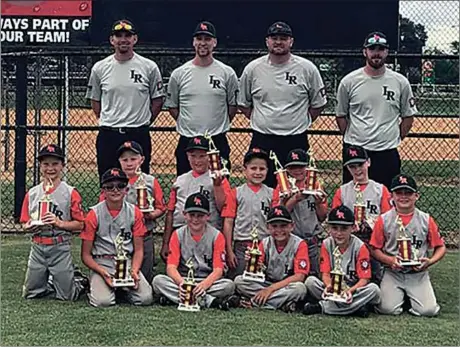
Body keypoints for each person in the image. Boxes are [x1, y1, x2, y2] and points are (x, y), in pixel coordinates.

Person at [238, 21, 327, 188]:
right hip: (263, 138)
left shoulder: (307, 69)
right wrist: (263, 119)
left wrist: (301, 120)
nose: (278, 42)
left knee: (298, 187)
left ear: (291, 41)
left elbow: (318, 104)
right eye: (274, 38)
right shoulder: (253, 69)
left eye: (283, 38)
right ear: (267, 41)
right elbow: (243, 103)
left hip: (295, 138)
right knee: (261, 185)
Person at [336, 31, 417, 189]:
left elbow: (408, 117)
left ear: (387, 52)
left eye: (381, 49)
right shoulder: (349, 81)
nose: (376, 53)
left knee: (386, 199)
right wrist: (353, 137)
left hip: (386, 152)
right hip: (356, 151)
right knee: (353, 197)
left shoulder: (400, 82)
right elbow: (341, 116)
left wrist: (392, 137)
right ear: (364, 51)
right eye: (372, 49)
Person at [86, 19, 165, 179]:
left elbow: (158, 99)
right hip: (109, 134)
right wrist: (109, 119)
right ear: (112, 40)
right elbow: (95, 100)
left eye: (127, 35)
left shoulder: (148, 67)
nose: (123, 39)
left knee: (140, 182)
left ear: (134, 39)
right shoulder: (100, 68)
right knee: (108, 180)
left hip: (138, 133)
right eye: (119, 35)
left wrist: (145, 121)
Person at [165, 21, 239, 176]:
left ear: (214, 42)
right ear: (193, 42)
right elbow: (173, 107)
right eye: (199, 39)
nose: (203, 43)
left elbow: (232, 106)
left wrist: (216, 125)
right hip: (188, 140)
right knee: (186, 188)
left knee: (220, 189)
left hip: (217, 140)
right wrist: (190, 124)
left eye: (207, 39)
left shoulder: (227, 73)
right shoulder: (179, 73)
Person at [370, 174, 446, 317]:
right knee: (387, 309)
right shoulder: (384, 220)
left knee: (428, 311)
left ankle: (409, 298)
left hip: (418, 274)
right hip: (393, 273)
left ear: (416, 196)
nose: (403, 197)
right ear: (392, 196)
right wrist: (390, 260)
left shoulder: (425, 219)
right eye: (399, 193)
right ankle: (402, 297)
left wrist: (429, 262)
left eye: (408, 193)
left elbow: (441, 247)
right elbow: (375, 249)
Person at [20, 144, 88, 301]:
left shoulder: (70, 192)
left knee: (67, 296)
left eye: (55, 164)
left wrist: (60, 223)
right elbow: (24, 222)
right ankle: (52, 279)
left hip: (60, 246)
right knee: (31, 294)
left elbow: (80, 224)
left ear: (63, 166)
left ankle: (77, 279)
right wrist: (31, 226)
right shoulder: (32, 193)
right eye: (46, 164)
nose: (50, 168)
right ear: (40, 166)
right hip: (38, 247)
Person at [80, 168, 153, 308]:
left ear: (126, 189)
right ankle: (94, 285)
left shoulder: (135, 212)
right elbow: (85, 255)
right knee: (103, 302)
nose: (115, 190)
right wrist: (102, 272)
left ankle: (122, 290)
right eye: (109, 187)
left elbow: (138, 250)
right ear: (103, 191)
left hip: (127, 262)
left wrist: (134, 271)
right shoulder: (94, 214)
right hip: (102, 262)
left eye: (120, 186)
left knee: (145, 299)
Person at [152, 193, 235, 310]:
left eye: (200, 215)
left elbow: (218, 270)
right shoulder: (177, 234)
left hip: (206, 280)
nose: (195, 219)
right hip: (183, 279)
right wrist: (183, 284)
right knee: (158, 281)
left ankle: (176, 298)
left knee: (228, 286)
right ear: (184, 215)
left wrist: (204, 285)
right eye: (192, 215)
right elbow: (171, 267)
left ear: (208, 216)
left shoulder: (217, 236)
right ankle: (209, 301)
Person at [160, 136, 231, 262]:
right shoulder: (180, 180)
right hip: (181, 232)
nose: (197, 160)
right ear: (187, 156)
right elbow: (170, 213)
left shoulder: (217, 178)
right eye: (193, 156)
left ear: (210, 157)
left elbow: (223, 208)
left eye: (202, 156)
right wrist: (166, 243)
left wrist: (217, 185)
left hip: (207, 232)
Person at [303, 205, 381, 318]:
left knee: (374, 290)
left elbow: (364, 279)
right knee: (310, 282)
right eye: (335, 228)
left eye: (344, 228)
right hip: (334, 288)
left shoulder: (360, 246)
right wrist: (330, 286)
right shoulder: (326, 244)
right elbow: (325, 274)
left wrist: (350, 290)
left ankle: (322, 307)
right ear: (329, 228)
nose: (339, 233)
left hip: (353, 290)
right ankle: (356, 307)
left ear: (353, 228)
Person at [332, 144, 392, 283]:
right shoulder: (342, 191)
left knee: (377, 281)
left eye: (360, 164)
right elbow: (335, 223)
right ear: (347, 168)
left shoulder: (380, 190)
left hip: (374, 243)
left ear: (368, 162)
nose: (357, 169)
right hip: (349, 243)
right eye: (352, 166)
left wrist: (372, 225)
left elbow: (388, 221)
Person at [233, 205, 308, 313]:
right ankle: (281, 303)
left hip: (285, 286)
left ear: (292, 226)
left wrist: (270, 290)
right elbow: (257, 270)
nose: (279, 230)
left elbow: (300, 276)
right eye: (274, 226)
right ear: (268, 227)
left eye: (283, 226)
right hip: (266, 283)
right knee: (239, 281)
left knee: (300, 289)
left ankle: (254, 302)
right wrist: (251, 263)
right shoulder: (265, 243)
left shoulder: (299, 244)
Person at [272, 149, 328, 275]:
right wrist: (294, 199)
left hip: (312, 241)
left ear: (308, 167)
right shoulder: (283, 187)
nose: (297, 171)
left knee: (314, 274)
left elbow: (322, 216)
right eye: (293, 167)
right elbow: (279, 214)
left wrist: (319, 203)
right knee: (292, 274)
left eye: (300, 166)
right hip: (291, 241)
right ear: (287, 170)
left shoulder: (315, 185)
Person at [117, 141, 166, 283]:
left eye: (133, 159)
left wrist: (151, 215)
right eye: (124, 160)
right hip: (122, 235)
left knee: (145, 277)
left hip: (145, 234)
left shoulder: (150, 181)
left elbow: (161, 207)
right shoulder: (114, 182)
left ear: (142, 159)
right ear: (119, 161)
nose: (129, 163)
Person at [221, 148, 273, 279]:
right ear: (245, 170)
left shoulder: (272, 193)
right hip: (242, 245)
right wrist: (229, 249)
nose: (257, 172)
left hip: (264, 245)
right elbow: (228, 222)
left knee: (263, 278)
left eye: (262, 169)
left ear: (267, 170)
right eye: (253, 168)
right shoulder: (236, 193)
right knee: (239, 278)